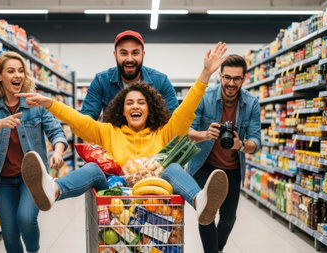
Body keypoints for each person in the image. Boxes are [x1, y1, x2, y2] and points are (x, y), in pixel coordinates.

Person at [17, 42, 230, 226]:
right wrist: (50, 104)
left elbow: (186, 111)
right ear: (122, 109)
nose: (135, 106)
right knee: (92, 168)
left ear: (150, 108)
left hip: (154, 193)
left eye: (141, 102)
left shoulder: (165, 132)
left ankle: (199, 201)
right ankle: (53, 190)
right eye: (129, 103)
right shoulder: (108, 131)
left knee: (173, 167)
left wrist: (205, 74)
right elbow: (78, 120)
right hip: (115, 196)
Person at [0, 52, 68, 253]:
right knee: (10, 234)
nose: (18, 75)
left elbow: (56, 131)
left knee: (25, 219)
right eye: (11, 71)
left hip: (32, 178)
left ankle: (33, 250)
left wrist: (58, 152)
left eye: (21, 71)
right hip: (2, 179)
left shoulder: (35, 102)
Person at [187, 55, 261, 253]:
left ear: (244, 78)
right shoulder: (205, 96)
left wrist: (241, 145)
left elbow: (256, 141)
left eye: (236, 78)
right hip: (205, 165)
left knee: (229, 218)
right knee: (206, 213)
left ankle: (217, 248)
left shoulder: (252, 103)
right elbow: (188, 131)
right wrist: (204, 134)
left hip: (232, 168)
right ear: (219, 76)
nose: (231, 83)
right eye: (227, 77)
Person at [81, 30, 179, 120]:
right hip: (113, 139)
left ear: (143, 54)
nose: (129, 59)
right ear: (115, 55)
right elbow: (86, 119)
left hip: (151, 138)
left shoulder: (161, 81)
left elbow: (174, 120)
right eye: (124, 53)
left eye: (135, 53)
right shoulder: (101, 81)